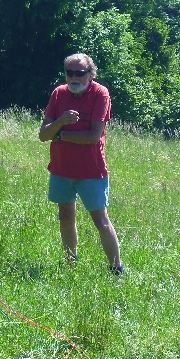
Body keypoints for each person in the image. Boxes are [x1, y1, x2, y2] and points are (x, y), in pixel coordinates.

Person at [38, 53, 124, 274]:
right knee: (65, 216)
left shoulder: (100, 94)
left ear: (90, 73)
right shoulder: (58, 94)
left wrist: (59, 134)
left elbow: (93, 136)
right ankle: (70, 263)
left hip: (91, 170)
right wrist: (61, 121)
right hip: (61, 168)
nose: (74, 77)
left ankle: (116, 269)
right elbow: (43, 134)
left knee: (100, 221)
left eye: (80, 73)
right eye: (70, 73)